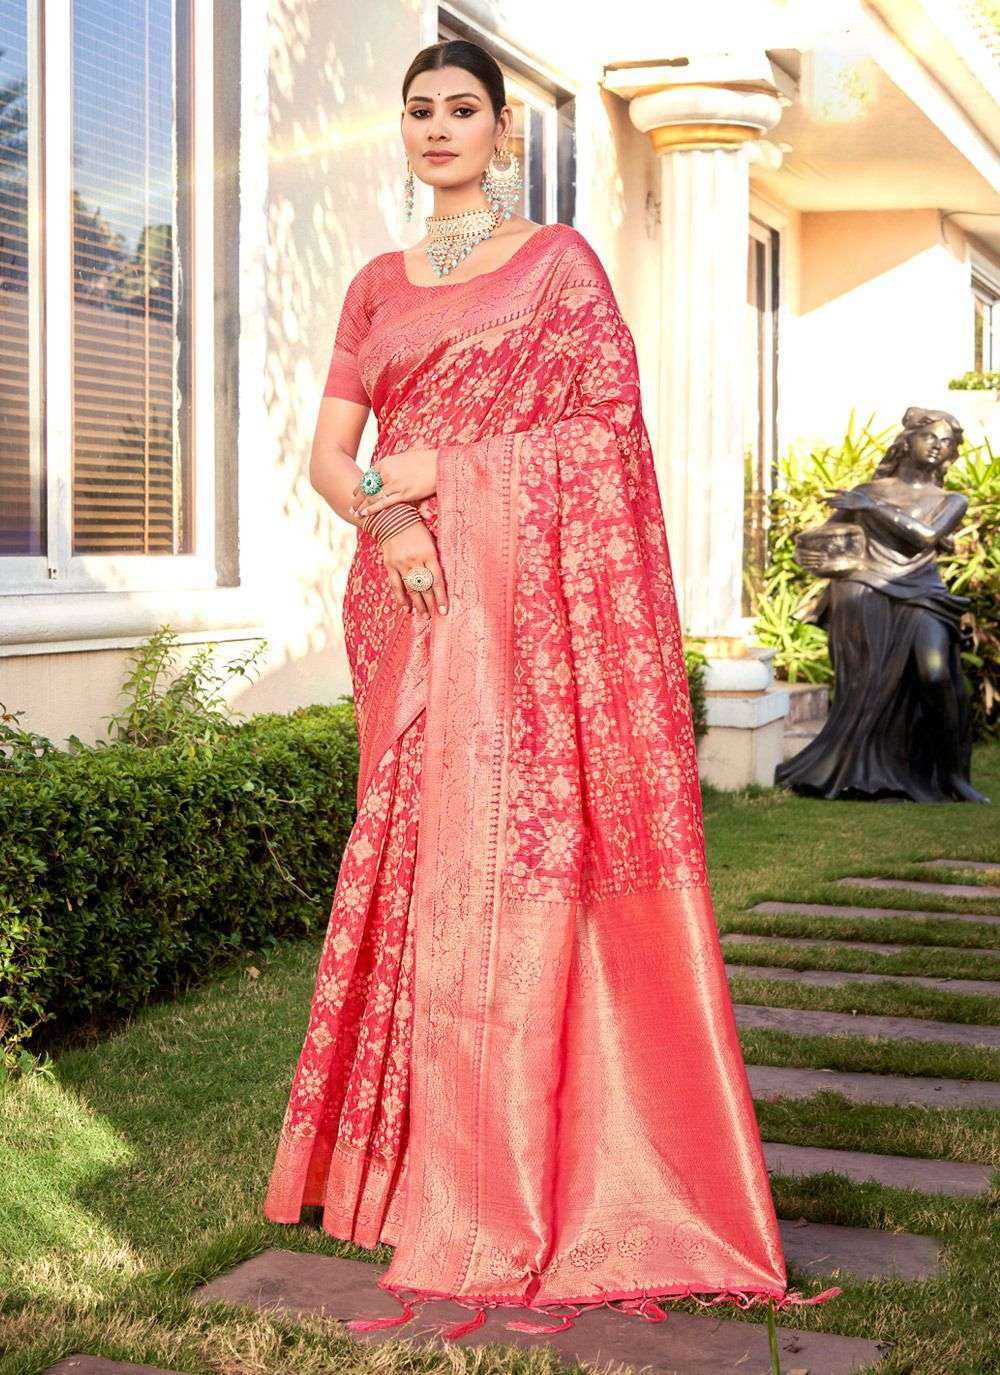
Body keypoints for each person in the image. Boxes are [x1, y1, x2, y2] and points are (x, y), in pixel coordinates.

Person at [263, 38, 838, 1340]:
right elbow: (330, 453)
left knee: (522, 870)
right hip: (415, 611)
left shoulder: (558, 268)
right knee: (425, 874)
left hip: (529, 622)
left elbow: (604, 434)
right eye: (418, 110)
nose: (437, 128)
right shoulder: (374, 285)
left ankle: (555, 1168)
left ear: (503, 132)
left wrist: (445, 477)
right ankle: (412, 1173)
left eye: (462, 109)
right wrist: (389, 519)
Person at [775, 407, 989, 804]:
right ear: (908, 441)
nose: (937, 446)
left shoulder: (950, 499)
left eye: (946, 443)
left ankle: (953, 776)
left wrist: (871, 508)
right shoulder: (868, 490)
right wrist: (814, 549)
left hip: (923, 593)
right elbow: (827, 535)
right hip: (863, 589)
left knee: (936, 674)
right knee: (864, 685)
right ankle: (856, 768)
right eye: (930, 437)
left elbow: (927, 537)